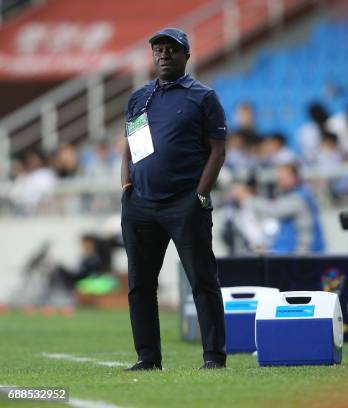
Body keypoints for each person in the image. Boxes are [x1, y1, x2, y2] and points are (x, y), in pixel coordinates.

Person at [121, 28, 227, 371]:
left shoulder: (203, 96)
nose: (163, 55)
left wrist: (200, 194)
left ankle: (213, 356)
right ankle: (147, 358)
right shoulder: (139, 98)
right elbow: (130, 147)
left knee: (202, 281)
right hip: (140, 204)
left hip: (184, 202)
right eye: (158, 50)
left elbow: (217, 150)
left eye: (171, 49)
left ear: (186, 56)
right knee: (140, 285)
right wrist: (125, 185)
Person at [231, 163, 325, 254]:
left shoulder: (300, 197)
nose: (280, 180)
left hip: (305, 254)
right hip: (291, 253)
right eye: (279, 177)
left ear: (295, 177)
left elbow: (274, 210)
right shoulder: (291, 194)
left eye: (284, 177)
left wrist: (247, 197)